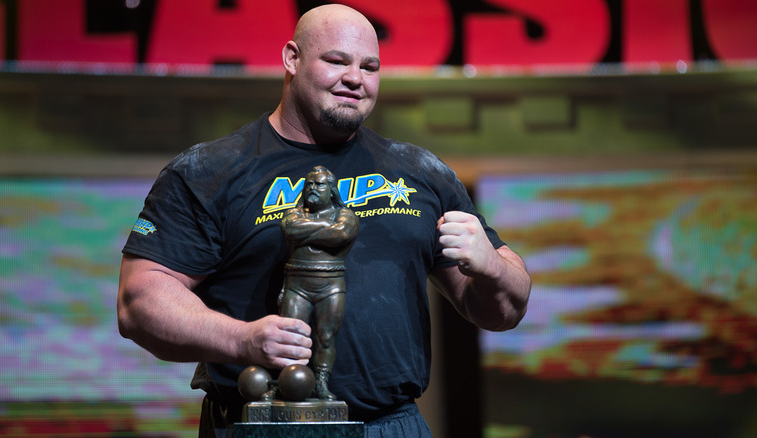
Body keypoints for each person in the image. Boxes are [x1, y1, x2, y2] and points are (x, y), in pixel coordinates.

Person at [117, 4, 531, 438]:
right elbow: (139, 301)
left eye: (370, 66)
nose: (355, 78)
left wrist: (493, 268)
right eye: (337, 61)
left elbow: (502, 310)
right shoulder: (209, 171)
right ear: (291, 58)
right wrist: (242, 340)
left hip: (391, 426)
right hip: (262, 425)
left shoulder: (420, 172)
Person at [278, 165, 359, 401]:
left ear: (332, 190)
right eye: (309, 185)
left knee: (325, 336)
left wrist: (306, 234)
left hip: (331, 284)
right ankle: (290, 383)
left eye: (319, 184)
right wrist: (325, 229)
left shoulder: (345, 216)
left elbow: (341, 234)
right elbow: (290, 228)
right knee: (291, 337)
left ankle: (321, 383)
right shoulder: (294, 214)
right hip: (296, 284)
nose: (313, 189)